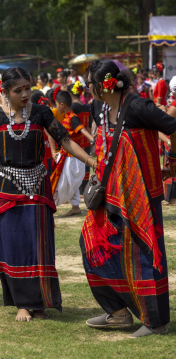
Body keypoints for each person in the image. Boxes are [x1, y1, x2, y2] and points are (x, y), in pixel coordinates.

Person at [0, 67, 93, 321]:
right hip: (7, 187)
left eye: (27, 87)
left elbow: (64, 140)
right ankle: (21, 303)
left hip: (38, 185)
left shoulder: (40, 113)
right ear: (4, 92)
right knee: (14, 244)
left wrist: (91, 161)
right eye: (18, 90)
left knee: (39, 244)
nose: (25, 93)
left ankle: (40, 301)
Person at [81, 60, 176, 338]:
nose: (87, 89)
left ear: (102, 85)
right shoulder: (100, 107)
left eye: (89, 84)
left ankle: (156, 322)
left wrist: (172, 161)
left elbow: (173, 128)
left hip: (141, 197)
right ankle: (119, 313)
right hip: (109, 194)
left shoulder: (136, 106)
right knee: (92, 245)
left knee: (144, 256)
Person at [50, 90, 94, 216]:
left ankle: (50, 205)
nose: (55, 107)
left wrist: (92, 139)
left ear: (62, 104)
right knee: (70, 183)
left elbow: (81, 129)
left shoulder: (72, 117)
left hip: (73, 158)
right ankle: (75, 207)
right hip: (68, 156)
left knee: (64, 183)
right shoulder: (66, 116)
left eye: (56, 104)